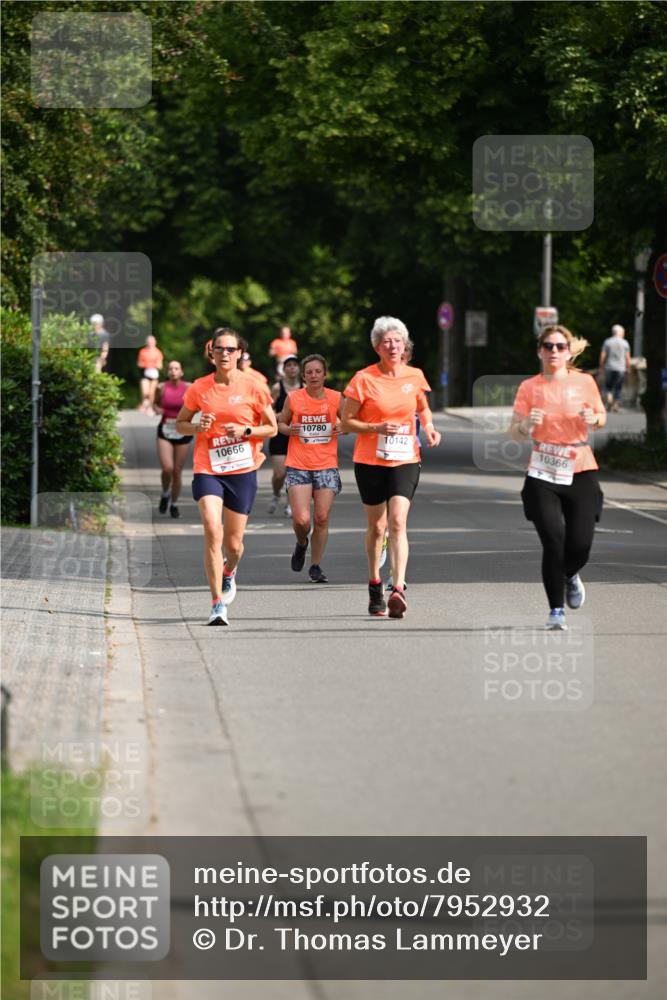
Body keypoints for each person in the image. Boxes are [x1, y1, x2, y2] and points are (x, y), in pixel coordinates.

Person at [175, 327, 277, 625]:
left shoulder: (254, 386)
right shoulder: (199, 388)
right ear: (212, 353)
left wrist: (246, 431)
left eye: (230, 349)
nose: (224, 354)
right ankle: (217, 602)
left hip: (242, 470)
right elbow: (180, 423)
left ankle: (230, 570)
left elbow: (271, 428)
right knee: (211, 528)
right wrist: (197, 426)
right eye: (219, 349)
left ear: (239, 353)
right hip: (208, 467)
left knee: (233, 545)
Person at [341, 316, 441, 619]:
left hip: (406, 458)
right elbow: (346, 422)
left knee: (398, 521)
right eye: (387, 341)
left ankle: (397, 587)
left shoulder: (414, 375)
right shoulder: (363, 379)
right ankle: (375, 584)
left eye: (397, 340)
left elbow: (422, 407)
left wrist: (430, 428)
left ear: (404, 344)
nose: (393, 345)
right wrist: (376, 427)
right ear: (377, 347)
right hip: (370, 460)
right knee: (377, 526)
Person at [510, 324, 606, 630]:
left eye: (560, 346)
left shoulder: (585, 382)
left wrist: (594, 419)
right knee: (554, 541)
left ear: (568, 352)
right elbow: (514, 432)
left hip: (580, 466)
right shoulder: (529, 387)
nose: (554, 351)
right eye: (548, 346)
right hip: (543, 469)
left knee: (579, 544)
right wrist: (526, 425)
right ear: (539, 350)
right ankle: (555, 611)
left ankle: (570, 575)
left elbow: (601, 417)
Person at [277, 354, 343, 583]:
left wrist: (342, 426)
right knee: (302, 521)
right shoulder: (294, 398)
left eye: (318, 371)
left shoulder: (336, 398)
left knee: (322, 518)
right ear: (303, 376)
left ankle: (315, 565)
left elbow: (350, 422)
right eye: (309, 372)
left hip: (326, 465)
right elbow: (281, 423)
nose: (313, 375)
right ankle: (301, 542)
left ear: (325, 374)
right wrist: (289, 429)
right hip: (298, 465)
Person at [154, 360, 192, 518]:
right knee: (167, 468)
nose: (173, 371)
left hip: (182, 431)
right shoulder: (161, 387)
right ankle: (165, 493)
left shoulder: (189, 387)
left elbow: (196, 405)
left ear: (181, 372)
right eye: (170, 369)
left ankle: (174, 504)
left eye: (176, 368)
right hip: (165, 430)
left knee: (177, 471)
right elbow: (154, 404)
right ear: (167, 372)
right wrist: (158, 410)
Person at [268, 354, 302, 516]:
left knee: (294, 472)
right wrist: (281, 415)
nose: (292, 368)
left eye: (295, 365)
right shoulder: (277, 388)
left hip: (298, 435)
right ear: (284, 369)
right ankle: (276, 494)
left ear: (299, 368)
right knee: (280, 474)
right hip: (280, 434)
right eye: (288, 365)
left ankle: (290, 504)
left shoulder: (305, 387)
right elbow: (268, 411)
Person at [599, 324, 631, 411]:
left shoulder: (607, 342)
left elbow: (603, 355)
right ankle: (616, 404)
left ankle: (609, 401)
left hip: (609, 367)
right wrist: (628, 368)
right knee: (618, 387)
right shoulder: (625, 343)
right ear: (621, 333)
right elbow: (627, 357)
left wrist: (601, 367)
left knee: (608, 386)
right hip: (620, 368)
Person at [137, 335, 164, 414]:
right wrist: (147, 365)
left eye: (152, 342)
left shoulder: (158, 352)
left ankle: (150, 407)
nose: (150, 343)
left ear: (155, 342)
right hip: (145, 374)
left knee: (152, 393)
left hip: (154, 374)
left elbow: (160, 365)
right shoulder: (142, 351)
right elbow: (139, 363)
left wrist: (154, 365)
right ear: (146, 343)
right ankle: (144, 402)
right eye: (149, 342)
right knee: (145, 392)